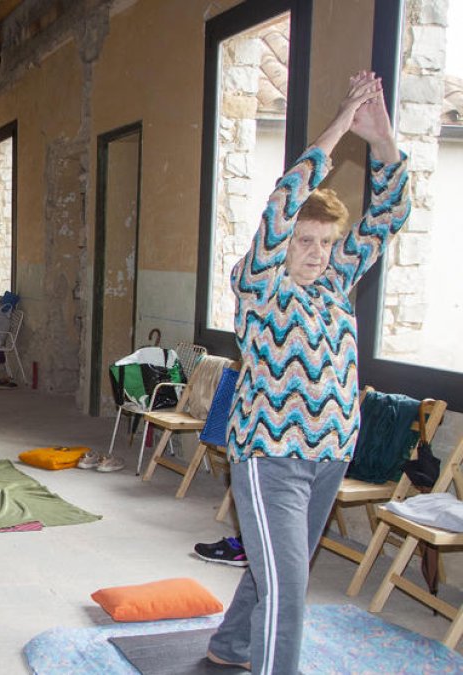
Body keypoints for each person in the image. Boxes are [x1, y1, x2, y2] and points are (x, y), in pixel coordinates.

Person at [206, 71, 408, 675]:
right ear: (282, 243)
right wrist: (341, 125)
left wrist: (383, 140)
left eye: (326, 241)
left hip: (331, 453)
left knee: (279, 568)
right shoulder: (259, 286)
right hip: (271, 459)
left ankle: (232, 644)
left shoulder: (337, 283)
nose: (317, 252)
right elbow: (281, 202)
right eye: (305, 241)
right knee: (290, 588)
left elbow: (389, 213)